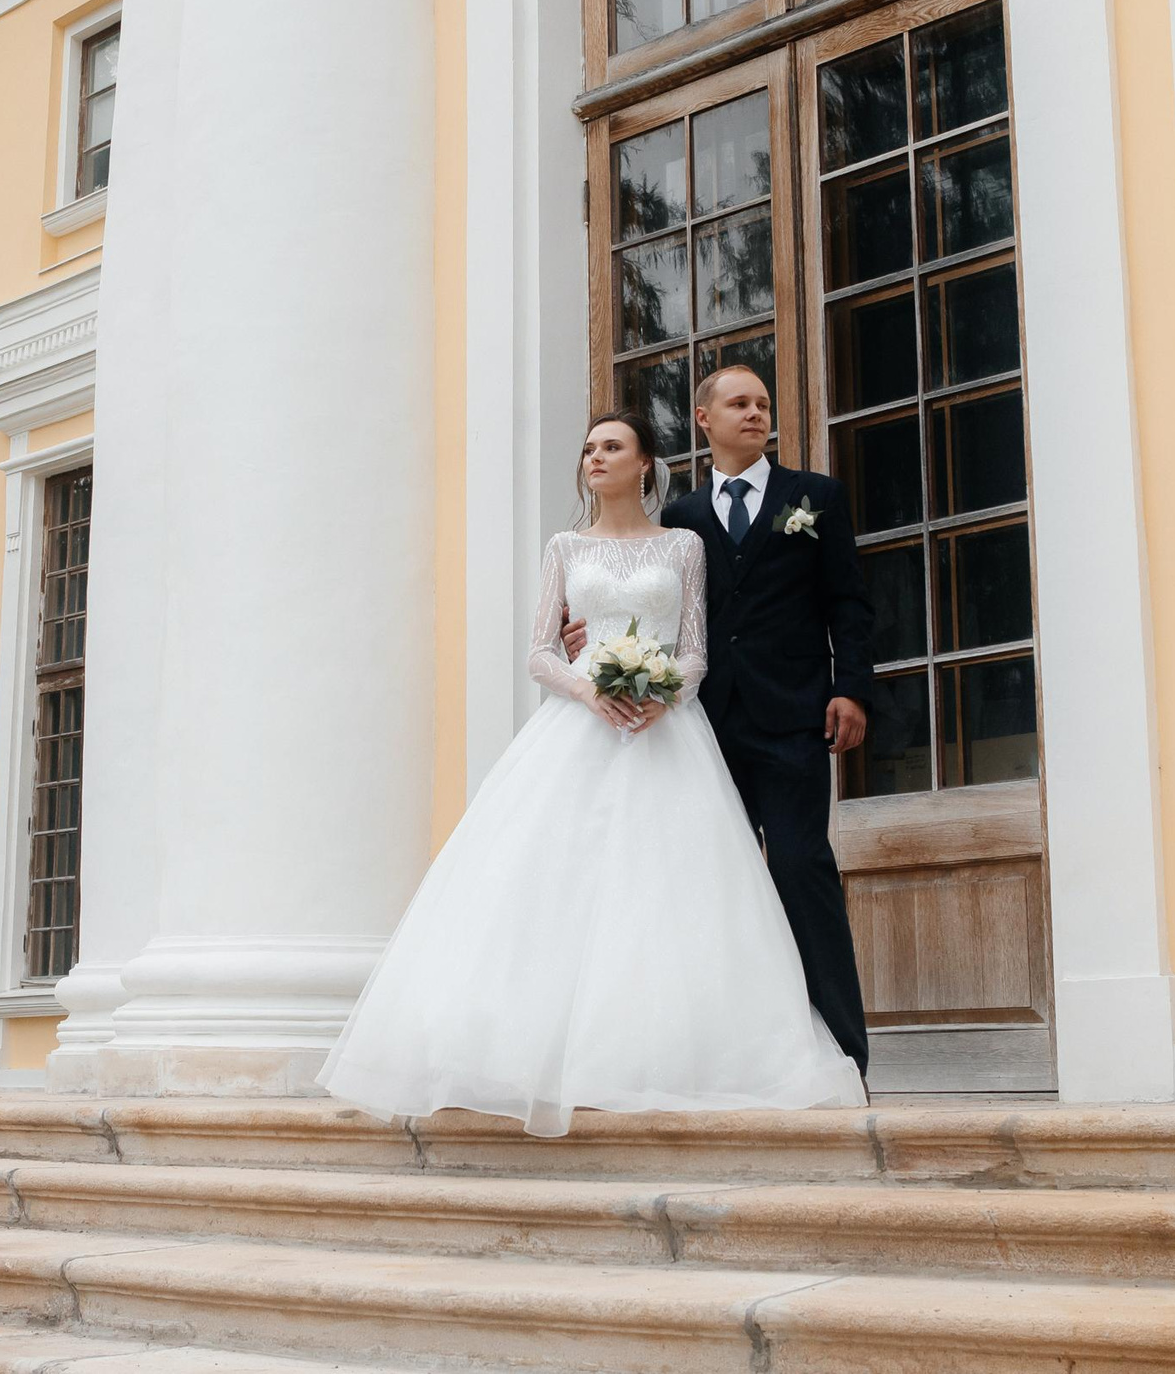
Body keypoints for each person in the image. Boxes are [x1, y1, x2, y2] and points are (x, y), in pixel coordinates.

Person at [316, 410, 864, 1135]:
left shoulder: (684, 543)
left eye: (611, 446)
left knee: (672, 892)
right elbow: (540, 650)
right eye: (588, 449)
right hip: (578, 727)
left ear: (646, 463)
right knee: (547, 884)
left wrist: (663, 694)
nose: (594, 458)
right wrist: (590, 690)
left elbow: (695, 648)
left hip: (669, 734)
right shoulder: (564, 546)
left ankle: (675, 1056)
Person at [570, 366, 877, 1078]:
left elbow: (849, 602)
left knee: (801, 867)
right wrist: (588, 632)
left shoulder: (816, 497)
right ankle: (731, 1058)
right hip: (699, 728)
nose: (756, 413)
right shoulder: (680, 518)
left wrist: (852, 689)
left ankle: (843, 1054)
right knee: (714, 885)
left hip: (795, 716)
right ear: (704, 419)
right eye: (740, 403)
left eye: (763, 403)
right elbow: (649, 600)